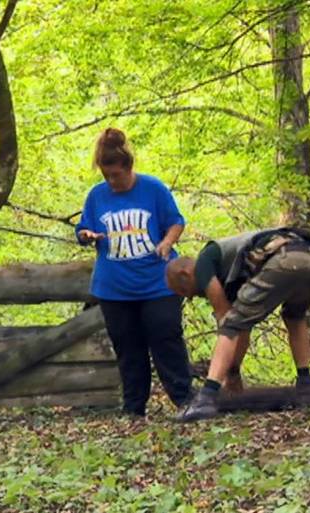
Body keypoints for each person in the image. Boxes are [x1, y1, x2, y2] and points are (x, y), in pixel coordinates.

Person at [75, 127, 193, 418]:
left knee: (166, 338)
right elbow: (83, 228)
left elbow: (176, 221)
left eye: (116, 175)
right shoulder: (97, 196)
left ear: (128, 167)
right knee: (128, 349)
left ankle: (185, 401)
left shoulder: (153, 189)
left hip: (158, 283)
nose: (111, 181)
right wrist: (87, 235)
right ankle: (134, 409)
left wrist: (167, 243)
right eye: (106, 176)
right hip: (114, 288)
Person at [166, 227, 310, 422]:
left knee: (230, 324)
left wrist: (229, 375)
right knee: (295, 317)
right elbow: (243, 329)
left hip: (285, 257)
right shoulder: (231, 274)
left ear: (186, 273)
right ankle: (306, 387)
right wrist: (234, 371)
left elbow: (226, 319)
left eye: (184, 291)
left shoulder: (204, 263)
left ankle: (206, 398)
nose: (190, 297)